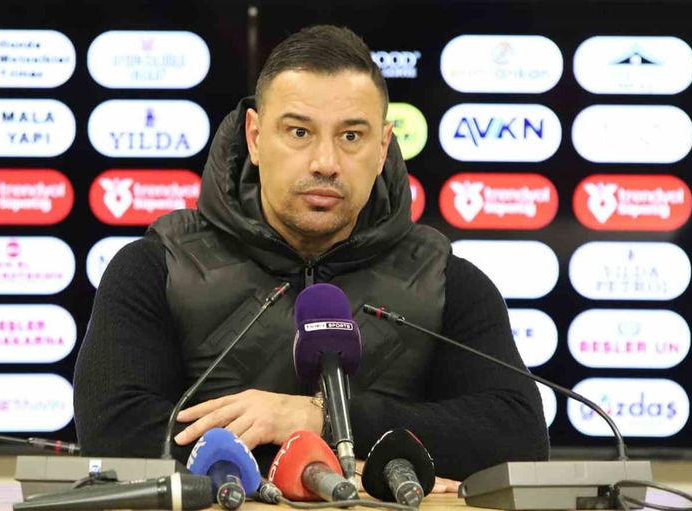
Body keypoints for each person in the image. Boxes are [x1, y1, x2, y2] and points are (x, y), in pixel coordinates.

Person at [72, 24, 549, 489]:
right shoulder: (158, 266)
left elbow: (518, 438)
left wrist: (318, 417)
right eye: (299, 132)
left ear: (382, 147)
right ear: (255, 137)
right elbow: (116, 433)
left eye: (351, 136)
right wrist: (328, 465)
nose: (326, 162)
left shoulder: (446, 280)